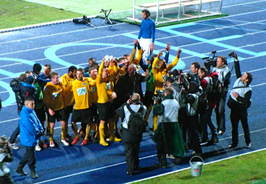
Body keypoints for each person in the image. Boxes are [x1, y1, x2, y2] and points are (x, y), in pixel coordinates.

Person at [152, 87, 185, 168]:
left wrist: (155, 104)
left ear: (166, 94)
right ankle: (178, 157)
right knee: (175, 143)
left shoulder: (164, 103)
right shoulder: (175, 102)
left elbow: (157, 111)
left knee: (161, 145)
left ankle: (162, 163)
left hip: (165, 125)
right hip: (175, 124)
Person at [115, 93, 147, 176]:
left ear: (131, 99)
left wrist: (126, 103)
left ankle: (130, 170)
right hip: (137, 133)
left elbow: (118, 112)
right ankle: (136, 166)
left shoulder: (126, 107)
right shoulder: (143, 108)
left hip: (127, 132)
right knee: (136, 151)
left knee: (129, 152)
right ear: (139, 100)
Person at [152, 48, 181, 131]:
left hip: (166, 94)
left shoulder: (166, 70)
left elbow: (174, 63)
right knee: (156, 112)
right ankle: (155, 129)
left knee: (164, 111)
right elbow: (154, 65)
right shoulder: (156, 72)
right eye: (164, 62)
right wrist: (157, 57)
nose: (166, 63)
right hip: (157, 93)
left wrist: (178, 54)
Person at [227, 52, 252, 148]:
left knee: (245, 126)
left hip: (241, 110)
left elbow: (245, 101)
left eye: (244, 76)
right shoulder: (238, 80)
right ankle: (234, 143)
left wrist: (238, 97)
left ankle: (248, 141)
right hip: (234, 109)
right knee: (234, 127)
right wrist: (236, 59)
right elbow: (237, 69)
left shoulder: (248, 90)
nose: (242, 76)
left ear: (246, 80)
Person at [15, 98, 44, 179]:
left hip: (31, 137)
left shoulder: (31, 111)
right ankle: (32, 170)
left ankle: (19, 168)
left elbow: (37, 120)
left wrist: (41, 128)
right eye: (32, 104)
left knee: (28, 153)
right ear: (27, 105)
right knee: (31, 156)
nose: (34, 106)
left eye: (34, 104)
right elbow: (31, 128)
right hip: (28, 139)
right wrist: (39, 132)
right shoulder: (25, 115)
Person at [96, 59, 120, 146]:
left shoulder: (107, 80)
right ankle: (101, 139)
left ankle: (112, 136)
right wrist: (102, 62)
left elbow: (107, 91)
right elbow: (99, 73)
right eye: (105, 71)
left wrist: (113, 63)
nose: (107, 72)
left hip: (109, 103)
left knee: (111, 119)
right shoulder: (99, 81)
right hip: (102, 104)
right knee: (102, 121)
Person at [43, 72, 69, 147]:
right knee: (52, 125)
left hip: (60, 107)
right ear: (52, 79)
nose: (58, 79)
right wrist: (49, 109)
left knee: (63, 123)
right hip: (52, 109)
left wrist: (65, 104)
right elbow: (46, 101)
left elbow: (63, 95)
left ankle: (63, 138)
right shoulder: (48, 87)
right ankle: (51, 140)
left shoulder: (60, 85)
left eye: (58, 77)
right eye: (56, 78)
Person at [71, 68, 93, 146]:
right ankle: (76, 136)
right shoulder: (73, 83)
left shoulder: (87, 82)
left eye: (80, 74)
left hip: (86, 106)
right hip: (77, 107)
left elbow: (94, 82)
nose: (79, 75)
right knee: (73, 122)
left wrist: (88, 78)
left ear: (83, 74)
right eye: (77, 74)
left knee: (88, 123)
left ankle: (86, 138)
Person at [198, 67, 219, 145]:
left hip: (207, 103)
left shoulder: (204, 81)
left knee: (203, 120)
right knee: (208, 119)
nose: (198, 75)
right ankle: (214, 135)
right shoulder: (210, 78)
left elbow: (200, 87)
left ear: (203, 73)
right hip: (211, 102)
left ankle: (205, 138)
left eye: (199, 73)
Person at [213, 56, 231, 135]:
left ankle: (222, 128)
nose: (216, 62)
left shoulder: (226, 70)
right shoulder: (214, 69)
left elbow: (227, 82)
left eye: (218, 61)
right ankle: (218, 127)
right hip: (215, 92)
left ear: (222, 63)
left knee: (221, 110)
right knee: (216, 110)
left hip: (222, 92)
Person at [183, 82, 202, 155]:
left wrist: (184, 93)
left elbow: (185, 100)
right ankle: (195, 149)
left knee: (193, 135)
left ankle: (197, 150)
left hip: (192, 117)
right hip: (192, 116)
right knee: (192, 134)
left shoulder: (193, 96)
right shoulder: (196, 94)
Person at [61, 66, 77, 140]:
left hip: (72, 103)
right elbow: (65, 89)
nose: (75, 74)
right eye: (74, 72)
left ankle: (68, 134)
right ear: (70, 72)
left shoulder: (74, 78)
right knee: (64, 120)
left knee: (72, 120)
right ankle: (64, 135)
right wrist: (72, 84)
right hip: (65, 103)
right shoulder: (63, 78)